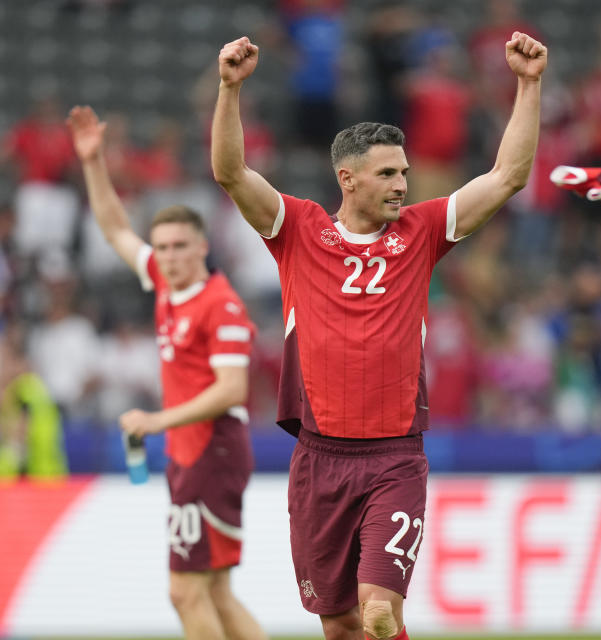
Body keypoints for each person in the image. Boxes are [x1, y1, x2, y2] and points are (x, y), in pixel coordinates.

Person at [211, 31, 546, 640]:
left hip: (394, 457)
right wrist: (230, 89)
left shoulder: (420, 232)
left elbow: (506, 178)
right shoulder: (298, 231)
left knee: (378, 613)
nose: (402, 184)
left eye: (405, 172)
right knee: (337, 623)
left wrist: (528, 85)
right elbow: (231, 172)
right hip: (318, 458)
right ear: (348, 178)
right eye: (387, 173)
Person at [67, 106, 266, 640]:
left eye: (180, 247)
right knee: (217, 593)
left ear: (203, 247)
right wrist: (94, 162)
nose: (169, 257)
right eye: (163, 248)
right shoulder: (163, 281)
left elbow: (231, 389)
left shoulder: (220, 306)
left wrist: (157, 421)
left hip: (212, 451)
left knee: (184, 591)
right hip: (193, 451)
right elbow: (113, 228)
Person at [0, 325, 67, 481]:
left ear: (16, 362)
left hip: (38, 481)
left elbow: (18, 439)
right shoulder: (30, 387)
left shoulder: (26, 391)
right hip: (41, 476)